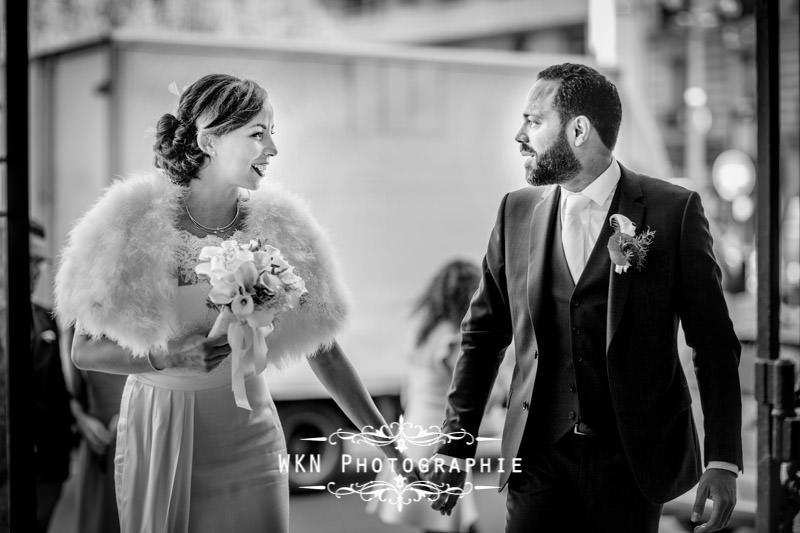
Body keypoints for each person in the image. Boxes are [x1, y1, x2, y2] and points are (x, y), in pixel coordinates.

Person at [55, 73, 408, 533]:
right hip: (161, 428)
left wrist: (393, 451)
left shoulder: (282, 226)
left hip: (250, 430)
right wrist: (169, 356)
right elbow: (84, 351)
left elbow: (324, 348)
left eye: (272, 134)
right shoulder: (132, 220)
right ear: (209, 140)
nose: (273, 150)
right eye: (258, 134)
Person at [428, 63, 742, 533]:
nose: (520, 135)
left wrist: (724, 459)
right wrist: (456, 444)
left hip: (633, 463)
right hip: (537, 460)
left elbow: (714, 344)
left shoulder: (672, 212)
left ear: (578, 130)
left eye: (534, 121)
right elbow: (482, 335)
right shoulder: (516, 211)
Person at [369, 259, 484, 533]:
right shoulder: (452, 339)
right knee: (448, 521)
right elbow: (469, 391)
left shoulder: (425, 334)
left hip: (414, 432)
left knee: (443, 522)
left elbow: (408, 391)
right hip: (438, 439)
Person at [30, 221, 74, 533]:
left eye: (39, 261)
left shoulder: (46, 318)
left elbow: (59, 388)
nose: (35, 270)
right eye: (27, 259)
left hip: (47, 466)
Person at [68, 330, 126, 533]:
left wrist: (129, 416)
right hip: (96, 439)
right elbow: (75, 393)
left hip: (135, 432)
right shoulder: (80, 325)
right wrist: (82, 421)